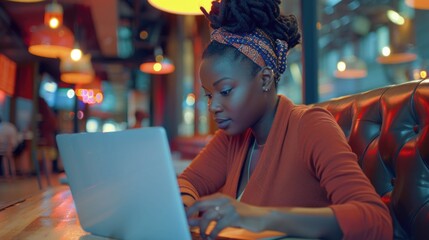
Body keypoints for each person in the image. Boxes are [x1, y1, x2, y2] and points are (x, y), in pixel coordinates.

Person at [178, 0, 393, 239]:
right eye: (209, 95)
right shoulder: (232, 138)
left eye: (225, 91)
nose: (213, 106)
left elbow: (375, 219)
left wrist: (259, 217)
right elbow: (187, 182)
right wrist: (185, 207)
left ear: (265, 79)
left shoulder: (311, 126)